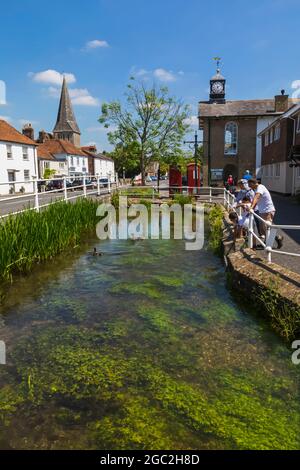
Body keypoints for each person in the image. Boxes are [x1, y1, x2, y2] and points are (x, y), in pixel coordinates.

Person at [248, 179, 283, 249]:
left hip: (268, 210)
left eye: (250, 185)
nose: (249, 187)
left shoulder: (260, 187)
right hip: (262, 211)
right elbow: (256, 199)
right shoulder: (256, 189)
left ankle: (267, 245)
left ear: (254, 183)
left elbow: (257, 197)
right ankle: (277, 237)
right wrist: (252, 207)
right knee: (262, 229)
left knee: (266, 227)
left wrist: (251, 207)